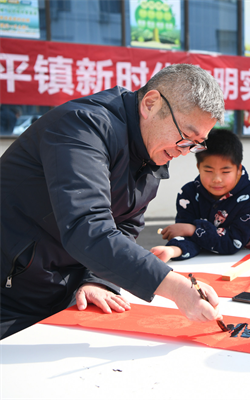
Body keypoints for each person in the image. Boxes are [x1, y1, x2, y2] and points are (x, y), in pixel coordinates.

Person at [0, 63, 226, 339]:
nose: (184, 151)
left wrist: (97, 279)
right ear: (151, 103)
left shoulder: (150, 153)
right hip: (10, 291)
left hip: (60, 292)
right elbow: (87, 228)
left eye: (195, 144)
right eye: (185, 137)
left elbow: (126, 226)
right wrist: (176, 287)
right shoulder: (81, 127)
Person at [150, 128, 250, 262]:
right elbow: (188, 239)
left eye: (225, 171)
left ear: (238, 169)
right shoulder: (188, 194)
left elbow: (233, 242)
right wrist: (172, 250)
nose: (217, 179)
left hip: (239, 265)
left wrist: (193, 229)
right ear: (198, 167)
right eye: (208, 171)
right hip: (196, 267)